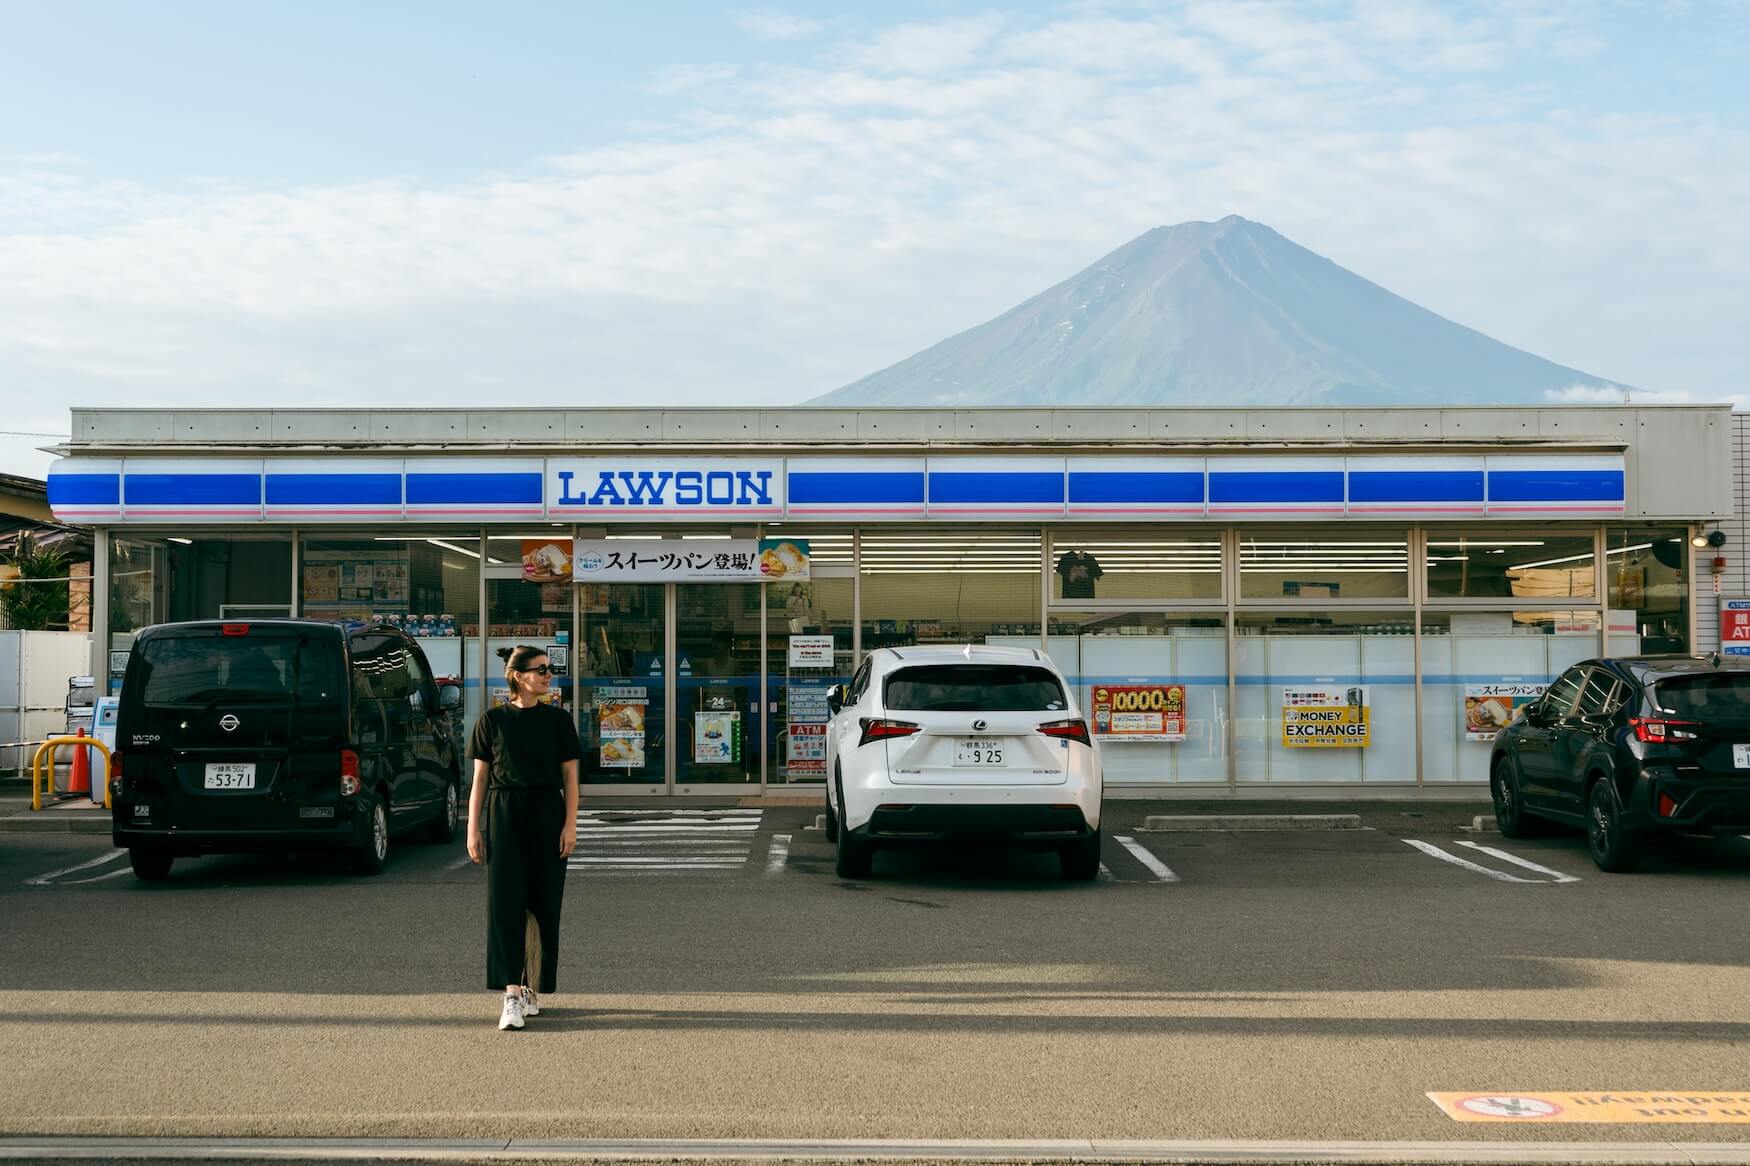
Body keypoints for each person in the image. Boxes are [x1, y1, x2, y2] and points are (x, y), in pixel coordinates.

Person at [467, 645, 581, 1031]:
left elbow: (571, 779)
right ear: (518, 676)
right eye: (541, 670)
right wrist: (473, 828)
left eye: (550, 670)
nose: (549, 676)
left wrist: (570, 824)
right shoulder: (492, 721)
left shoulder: (558, 721)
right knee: (504, 904)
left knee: (545, 904)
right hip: (504, 814)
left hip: (548, 811)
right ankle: (511, 993)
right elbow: (480, 779)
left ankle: (533, 985)